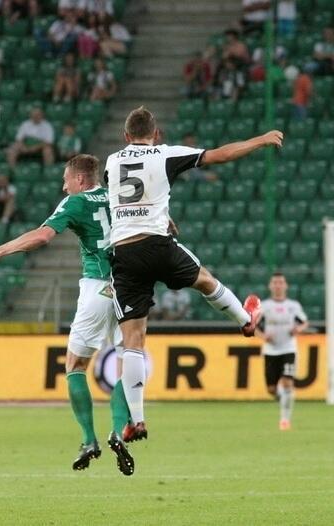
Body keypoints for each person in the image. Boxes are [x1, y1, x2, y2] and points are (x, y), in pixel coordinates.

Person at [103, 106, 281, 453]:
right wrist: (260, 139)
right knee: (203, 279)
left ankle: (136, 420)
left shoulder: (111, 162)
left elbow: (126, 201)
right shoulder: (165, 154)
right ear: (155, 134)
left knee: (133, 341)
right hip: (156, 245)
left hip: (124, 253)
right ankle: (246, 321)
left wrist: (160, 215)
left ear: (125, 136)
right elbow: (221, 155)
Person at [0, 154, 131, 475]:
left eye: (66, 180)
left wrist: (1, 250)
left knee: (75, 365)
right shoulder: (122, 194)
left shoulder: (74, 203)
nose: (64, 185)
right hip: (131, 288)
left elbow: (43, 236)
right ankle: (118, 430)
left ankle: (89, 439)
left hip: (97, 288)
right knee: (128, 363)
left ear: (80, 181)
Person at [255, 273, 308, 431]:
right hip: (270, 350)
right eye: (275, 283)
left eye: (281, 282)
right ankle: (284, 398)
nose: (278, 285)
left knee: (287, 382)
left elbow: (304, 322)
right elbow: (252, 326)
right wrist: (263, 336)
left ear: (286, 286)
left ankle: (285, 420)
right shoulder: (264, 306)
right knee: (271, 389)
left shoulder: (293, 305)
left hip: (288, 348)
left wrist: (298, 329)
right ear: (270, 286)